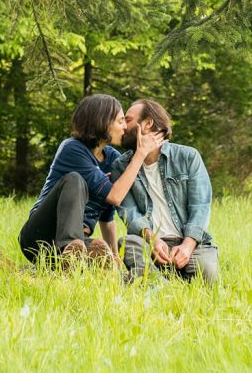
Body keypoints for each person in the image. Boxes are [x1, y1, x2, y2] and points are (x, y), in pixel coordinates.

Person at [19, 93, 165, 267]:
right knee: (74, 180)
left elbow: (107, 217)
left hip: (81, 239)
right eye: (120, 121)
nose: (125, 127)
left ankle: (76, 259)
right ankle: (70, 249)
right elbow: (115, 196)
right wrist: (140, 153)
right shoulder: (72, 148)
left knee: (99, 249)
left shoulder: (112, 159)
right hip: (39, 236)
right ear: (102, 123)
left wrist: (114, 256)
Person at [111, 98, 219, 284]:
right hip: (148, 243)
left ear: (147, 123)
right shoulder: (121, 166)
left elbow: (200, 207)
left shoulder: (187, 156)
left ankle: (155, 280)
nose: (122, 126)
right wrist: (153, 241)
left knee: (207, 275)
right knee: (127, 243)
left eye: (127, 120)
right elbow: (129, 213)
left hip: (189, 243)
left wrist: (187, 246)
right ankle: (162, 284)